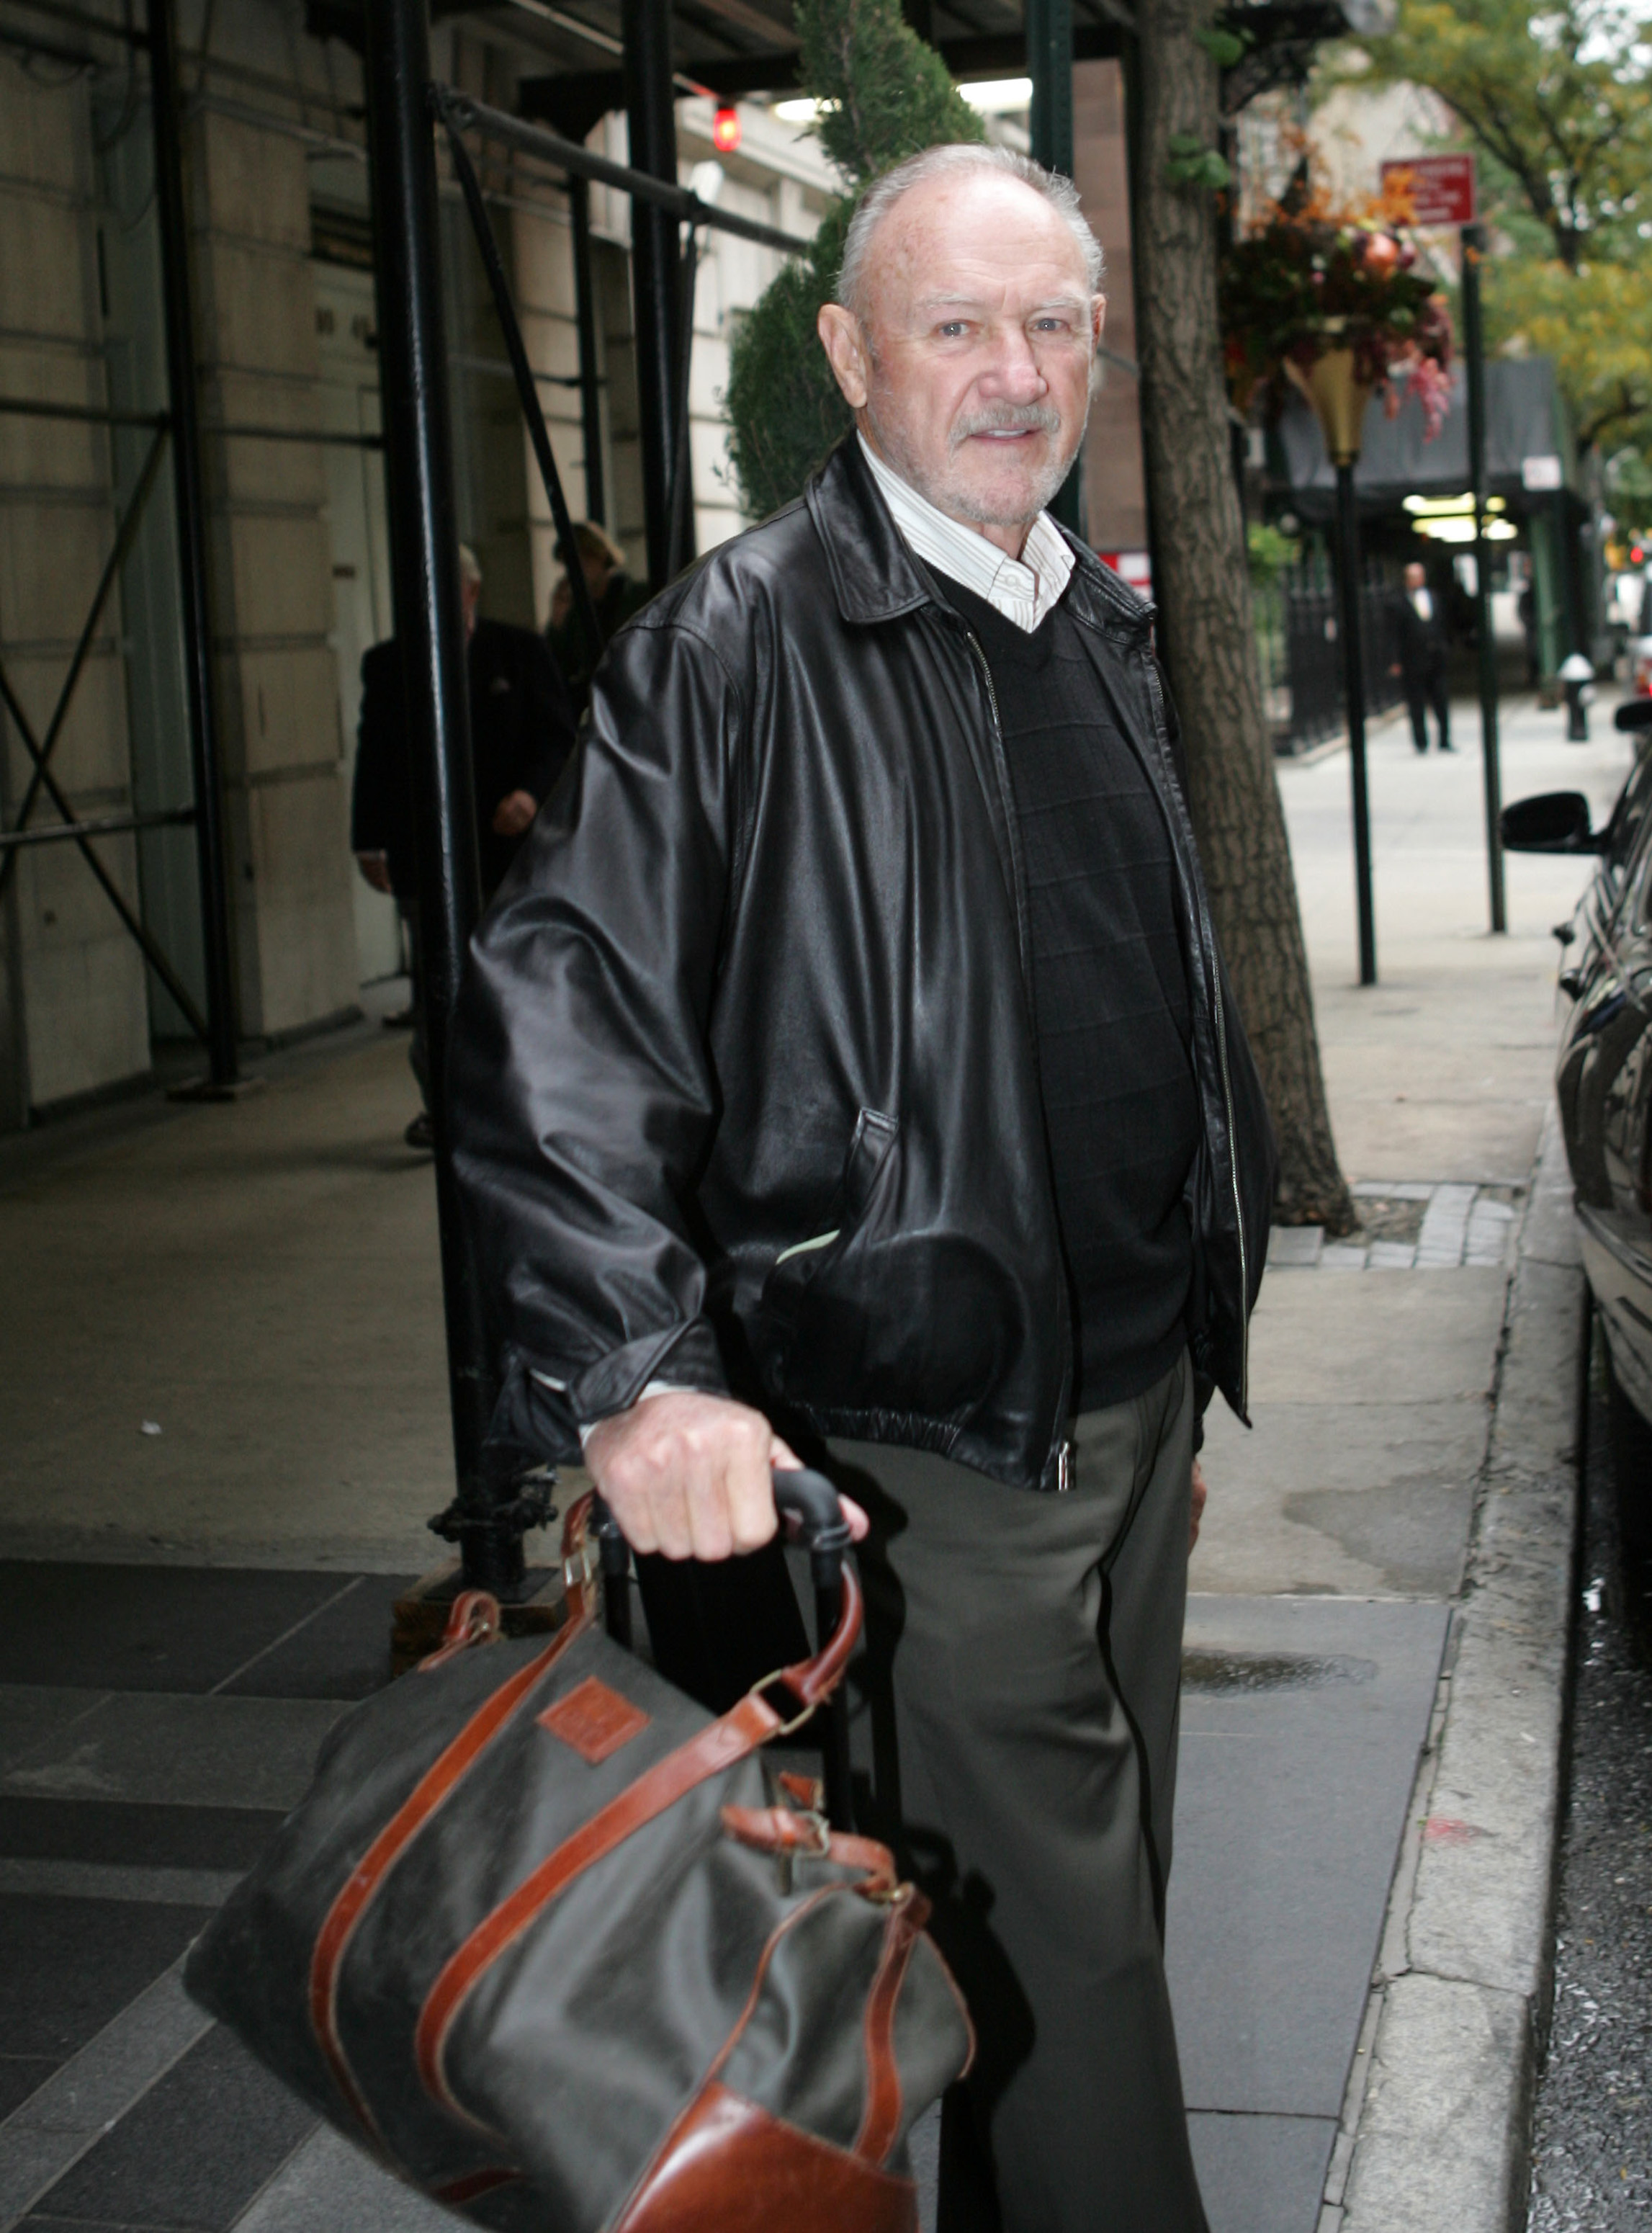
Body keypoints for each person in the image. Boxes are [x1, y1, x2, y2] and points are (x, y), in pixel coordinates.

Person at [450, 143, 1275, 2233]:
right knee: (1072, 1985)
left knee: (1050, 1938)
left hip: (1117, 1411)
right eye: (953, 325)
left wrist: (1172, 1358)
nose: (1013, 372)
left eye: (1049, 324)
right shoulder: (734, 644)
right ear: (847, 352)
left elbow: (1126, 1011)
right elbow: (564, 1019)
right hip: (922, 1443)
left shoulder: (1088, 621)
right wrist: (636, 1371)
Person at [352, 544, 575, 1149]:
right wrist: (368, 842)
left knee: (513, 981)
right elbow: (374, 757)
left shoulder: (520, 653)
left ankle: (521, 1106)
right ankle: (447, 1110)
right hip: (425, 852)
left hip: (507, 854)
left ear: (471, 592)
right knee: (437, 985)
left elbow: (558, 738)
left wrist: (530, 794)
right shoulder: (388, 663)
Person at [544, 520, 650, 716]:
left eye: (581, 562)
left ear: (600, 557)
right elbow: (557, 668)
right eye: (568, 565)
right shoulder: (574, 610)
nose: (573, 571)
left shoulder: (638, 597)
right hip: (595, 707)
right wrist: (557, 620)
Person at [1398, 558, 1453, 752]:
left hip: (1436, 657)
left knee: (1441, 700)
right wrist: (1396, 661)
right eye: (1412, 577)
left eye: (1419, 576)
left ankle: (1445, 739)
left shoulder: (1434, 597)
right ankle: (1421, 742)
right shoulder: (1398, 602)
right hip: (1413, 660)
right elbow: (1394, 634)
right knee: (1416, 703)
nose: (1417, 580)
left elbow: (1444, 624)